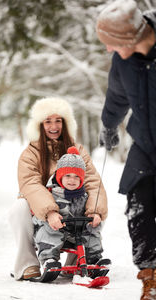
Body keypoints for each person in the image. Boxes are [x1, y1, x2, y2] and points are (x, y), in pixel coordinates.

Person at [9, 97, 108, 281]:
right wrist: (50, 212)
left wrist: (95, 211)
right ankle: (28, 263)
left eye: (58, 120)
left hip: (73, 208)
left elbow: (93, 182)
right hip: (42, 210)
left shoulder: (78, 149)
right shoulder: (31, 153)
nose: (53, 126)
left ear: (66, 123)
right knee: (19, 207)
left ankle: (81, 259)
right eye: (48, 121)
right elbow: (30, 183)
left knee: (93, 208)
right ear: (40, 124)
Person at [96, 1, 156, 299]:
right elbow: (117, 96)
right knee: (138, 209)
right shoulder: (124, 61)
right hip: (145, 143)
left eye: (111, 44)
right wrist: (109, 126)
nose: (109, 50)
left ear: (130, 39)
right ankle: (151, 278)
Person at [33, 146, 104, 274]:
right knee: (51, 229)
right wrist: (50, 216)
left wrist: (94, 216)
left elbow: (92, 208)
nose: (72, 180)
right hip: (54, 231)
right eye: (68, 176)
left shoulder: (84, 196)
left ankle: (94, 259)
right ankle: (49, 259)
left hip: (74, 233)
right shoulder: (51, 194)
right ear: (60, 176)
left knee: (92, 229)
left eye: (77, 177)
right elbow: (39, 209)